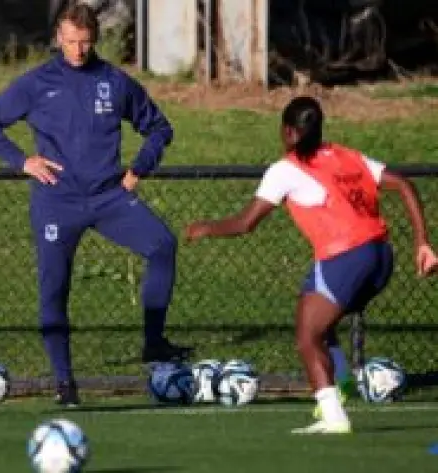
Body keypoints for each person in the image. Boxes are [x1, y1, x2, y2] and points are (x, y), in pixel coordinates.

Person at [0, 3, 191, 407]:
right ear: (58, 38)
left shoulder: (114, 81)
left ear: (95, 40)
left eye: (85, 43)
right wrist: (23, 161)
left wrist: (140, 167)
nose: (77, 50)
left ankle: (154, 342)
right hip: (57, 201)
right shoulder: (37, 82)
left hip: (109, 197)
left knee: (162, 244)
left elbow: (160, 127)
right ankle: (65, 383)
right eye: (71, 42)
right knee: (54, 289)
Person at [185, 96, 438, 434]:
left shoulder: (285, 169)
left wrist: (205, 228)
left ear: (288, 132)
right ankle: (343, 386)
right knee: (315, 312)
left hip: (347, 257)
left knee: (307, 336)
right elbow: (404, 185)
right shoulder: (348, 157)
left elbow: (246, 223)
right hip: (381, 256)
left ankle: (333, 416)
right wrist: (422, 243)